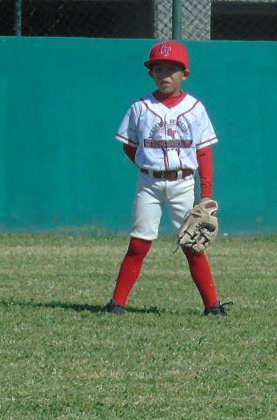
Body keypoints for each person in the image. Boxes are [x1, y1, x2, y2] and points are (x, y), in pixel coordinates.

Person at [101, 40, 226, 316]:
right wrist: (148, 164)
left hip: (183, 183)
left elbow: (204, 152)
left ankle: (212, 306)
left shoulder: (195, 108)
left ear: (185, 74)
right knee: (139, 243)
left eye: (172, 69)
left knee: (193, 244)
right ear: (150, 73)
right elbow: (128, 144)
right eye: (158, 68)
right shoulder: (140, 107)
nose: (165, 74)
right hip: (149, 184)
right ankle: (117, 303)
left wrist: (206, 194)